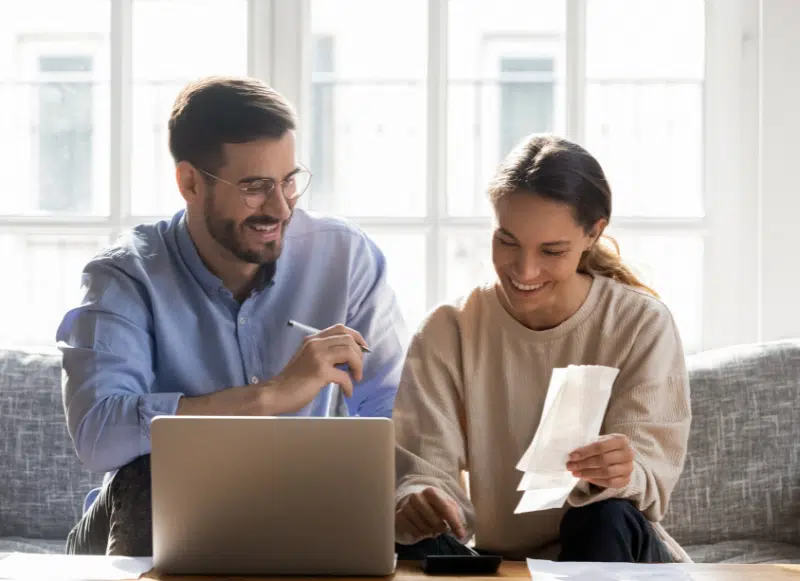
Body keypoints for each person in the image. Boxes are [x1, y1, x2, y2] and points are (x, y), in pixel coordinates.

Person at [57, 76, 407, 556]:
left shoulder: (345, 258)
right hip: (148, 522)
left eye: (288, 181)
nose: (280, 207)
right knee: (149, 471)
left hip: (296, 512)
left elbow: (393, 409)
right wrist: (269, 397)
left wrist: (415, 490)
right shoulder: (125, 277)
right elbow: (99, 435)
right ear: (190, 182)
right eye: (255, 187)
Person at [393, 134, 692, 563]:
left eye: (552, 250)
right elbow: (424, 470)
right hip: (498, 558)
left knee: (603, 517)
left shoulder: (639, 323)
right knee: (402, 537)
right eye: (507, 241)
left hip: (613, 552)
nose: (525, 270)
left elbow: (649, 475)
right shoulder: (449, 330)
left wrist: (623, 470)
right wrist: (423, 500)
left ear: (594, 233)